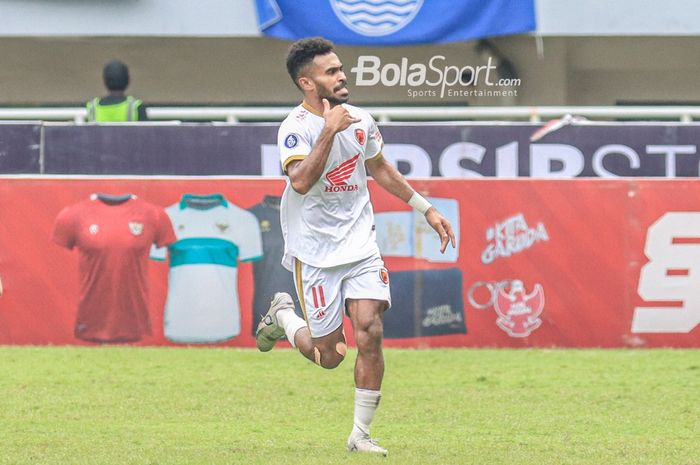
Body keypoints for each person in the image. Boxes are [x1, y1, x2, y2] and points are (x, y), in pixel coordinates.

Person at [255, 37, 456, 457]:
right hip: (314, 253)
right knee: (330, 356)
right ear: (308, 84)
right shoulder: (294, 128)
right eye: (331, 72)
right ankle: (284, 316)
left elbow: (379, 167)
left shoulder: (362, 120)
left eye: (341, 68)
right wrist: (328, 131)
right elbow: (302, 182)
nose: (342, 75)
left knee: (370, 330)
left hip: (360, 246)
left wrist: (426, 209)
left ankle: (360, 434)